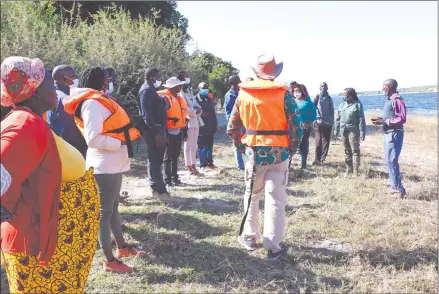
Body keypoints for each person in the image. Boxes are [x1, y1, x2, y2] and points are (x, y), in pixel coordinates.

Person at [1, 56, 100, 292]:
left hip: (51, 243)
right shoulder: (24, 124)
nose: (54, 88)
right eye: (48, 82)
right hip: (35, 246)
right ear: (33, 91)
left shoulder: (33, 119)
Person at [64, 66, 145, 273]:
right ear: (100, 81)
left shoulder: (99, 100)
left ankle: (123, 249)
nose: (109, 82)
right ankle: (109, 261)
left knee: (114, 208)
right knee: (104, 213)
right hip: (103, 165)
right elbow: (93, 138)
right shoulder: (91, 103)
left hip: (114, 163)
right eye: (107, 79)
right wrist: (119, 144)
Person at [227, 54, 303, 261]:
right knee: (276, 199)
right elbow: (297, 126)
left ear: (257, 72)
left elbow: (232, 127)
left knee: (252, 195)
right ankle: (273, 245)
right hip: (280, 153)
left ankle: (250, 237)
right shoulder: (284, 94)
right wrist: (292, 149)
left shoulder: (243, 94)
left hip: (253, 153)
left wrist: (242, 149)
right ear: (274, 72)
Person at [372, 79, 407, 198]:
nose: (382, 89)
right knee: (389, 160)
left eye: (384, 87)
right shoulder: (389, 100)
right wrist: (382, 120)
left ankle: (398, 190)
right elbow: (391, 117)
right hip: (389, 133)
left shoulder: (397, 100)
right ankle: (395, 186)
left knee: (392, 160)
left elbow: (401, 118)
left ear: (389, 87)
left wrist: (386, 121)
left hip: (394, 134)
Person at [138, 68, 169, 199]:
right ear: (151, 77)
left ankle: (155, 188)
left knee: (154, 160)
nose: (160, 79)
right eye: (158, 76)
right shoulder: (146, 90)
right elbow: (147, 115)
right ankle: (161, 192)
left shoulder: (150, 90)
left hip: (157, 129)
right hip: (154, 131)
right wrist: (155, 132)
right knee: (156, 162)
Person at [47, 65, 88, 158]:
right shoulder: (65, 100)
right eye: (73, 76)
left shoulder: (52, 95)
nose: (77, 78)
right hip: (72, 153)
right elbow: (67, 132)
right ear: (62, 79)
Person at [157, 77, 188, 186]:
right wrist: (164, 133)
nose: (181, 87)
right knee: (168, 156)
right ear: (173, 87)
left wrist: (185, 131)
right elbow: (161, 116)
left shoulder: (178, 98)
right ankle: (167, 179)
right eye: (179, 86)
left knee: (175, 156)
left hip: (178, 130)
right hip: (168, 131)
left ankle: (175, 177)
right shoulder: (164, 98)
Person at [334, 88, 366, 177]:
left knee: (355, 151)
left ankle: (356, 171)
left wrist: (362, 132)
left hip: (353, 131)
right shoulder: (341, 105)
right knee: (347, 151)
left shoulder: (357, 105)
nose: (344, 96)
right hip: (343, 130)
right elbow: (337, 119)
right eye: (344, 94)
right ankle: (349, 169)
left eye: (346, 94)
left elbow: (361, 119)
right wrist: (336, 130)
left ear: (351, 95)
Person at [177, 71, 204, 177]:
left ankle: (194, 166)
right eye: (185, 77)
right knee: (188, 145)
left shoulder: (190, 90)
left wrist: (199, 110)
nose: (187, 79)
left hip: (196, 121)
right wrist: (193, 111)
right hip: (187, 121)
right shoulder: (180, 92)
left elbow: (196, 104)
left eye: (188, 77)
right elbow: (184, 107)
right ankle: (189, 166)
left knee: (194, 145)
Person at [292, 83, 317, 170]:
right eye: (295, 91)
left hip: (305, 127)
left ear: (302, 91)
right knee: (292, 145)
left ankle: (303, 164)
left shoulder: (308, 102)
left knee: (303, 144)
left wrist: (308, 123)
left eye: (298, 91)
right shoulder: (292, 101)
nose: (296, 93)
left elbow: (313, 114)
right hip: (292, 127)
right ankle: (289, 164)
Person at [225, 74, 245, 170]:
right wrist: (232, 125)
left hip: (243, 123)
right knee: (237, 144)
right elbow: (229, 113)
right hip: (235, 124)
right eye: (238, 81)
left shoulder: (240, 93)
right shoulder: (230, 95)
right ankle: (240, 166)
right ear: (234, 83)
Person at [196, 82, 218, 169]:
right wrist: (201, 114)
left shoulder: (209, 99)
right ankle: (203, 164)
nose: (205, 90)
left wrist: (215, 124)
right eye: (203, 88)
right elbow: (194, 112)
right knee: (201, 146)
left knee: (209, 146)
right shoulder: (196, 99)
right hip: (201, 127)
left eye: (206, 88)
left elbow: (213, 113)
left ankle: (209, 162)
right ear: (199, 89)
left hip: (210, 126)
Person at [313, 82, 335, 165]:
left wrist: (332, 121)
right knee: (318, 141)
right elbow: (313, 109)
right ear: (319, 88)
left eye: (325, 86)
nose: (324, 88)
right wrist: (314, 120)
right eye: (322, 86)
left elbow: (332, 110)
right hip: (318, 122)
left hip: (328, 123)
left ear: (327, 88)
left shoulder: (329, 98)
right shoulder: (317, 97)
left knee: (326, 141)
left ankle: (322, 159)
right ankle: (317, 159)